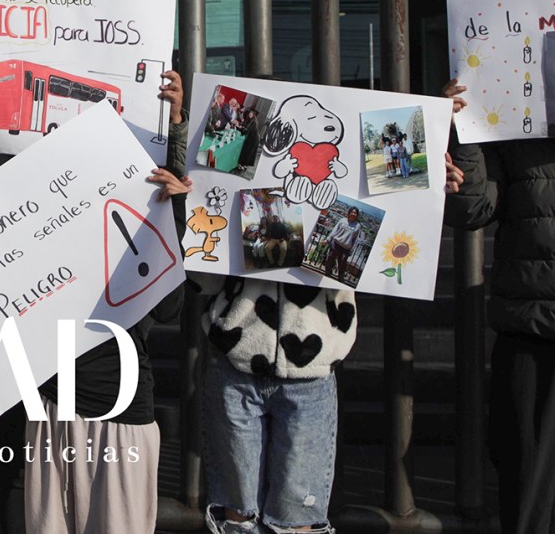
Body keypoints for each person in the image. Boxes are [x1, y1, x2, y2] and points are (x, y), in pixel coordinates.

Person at [25, 70, 191, 534]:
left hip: (121, 410)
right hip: (53, 405)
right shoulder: (36, 206)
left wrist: (170, 209)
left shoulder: (142, 203)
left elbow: (169, 309)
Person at [443, 77, 555, 534]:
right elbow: (472, 210)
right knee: (527, 494)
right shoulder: (518, 120)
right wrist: (461, 126)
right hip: (531, 335)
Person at [202, 277, 356, 534]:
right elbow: (202, 276)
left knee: (296, 512)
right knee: (239, 509)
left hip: (310, 362)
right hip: (238, 354)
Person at [324, 206, 363, 281]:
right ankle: (327, 273)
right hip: (335, 244)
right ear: (349, 213)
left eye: (355, 213)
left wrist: (351, 250)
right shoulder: (342, 220)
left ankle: (340, 278)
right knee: (330, 260)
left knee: (342, 265)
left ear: (357, 215)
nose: (353, 214)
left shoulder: (358, 226)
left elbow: (355, 240)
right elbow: (334, 231)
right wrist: (328, 239)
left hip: (346, 248)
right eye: (352, 212)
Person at [236, 108, 260, 173]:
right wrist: (241, 127)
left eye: (252, 113)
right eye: (250, 113)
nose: (250, 114)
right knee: (246, 152)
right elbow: (246, 127)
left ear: (254, 115)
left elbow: (246, 130)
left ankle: (243, 167)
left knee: (248, 153)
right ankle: (242, 166)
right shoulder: (250, 120)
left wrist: (239, 128)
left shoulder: (253, 121)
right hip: (250, 138)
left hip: (253, 139)